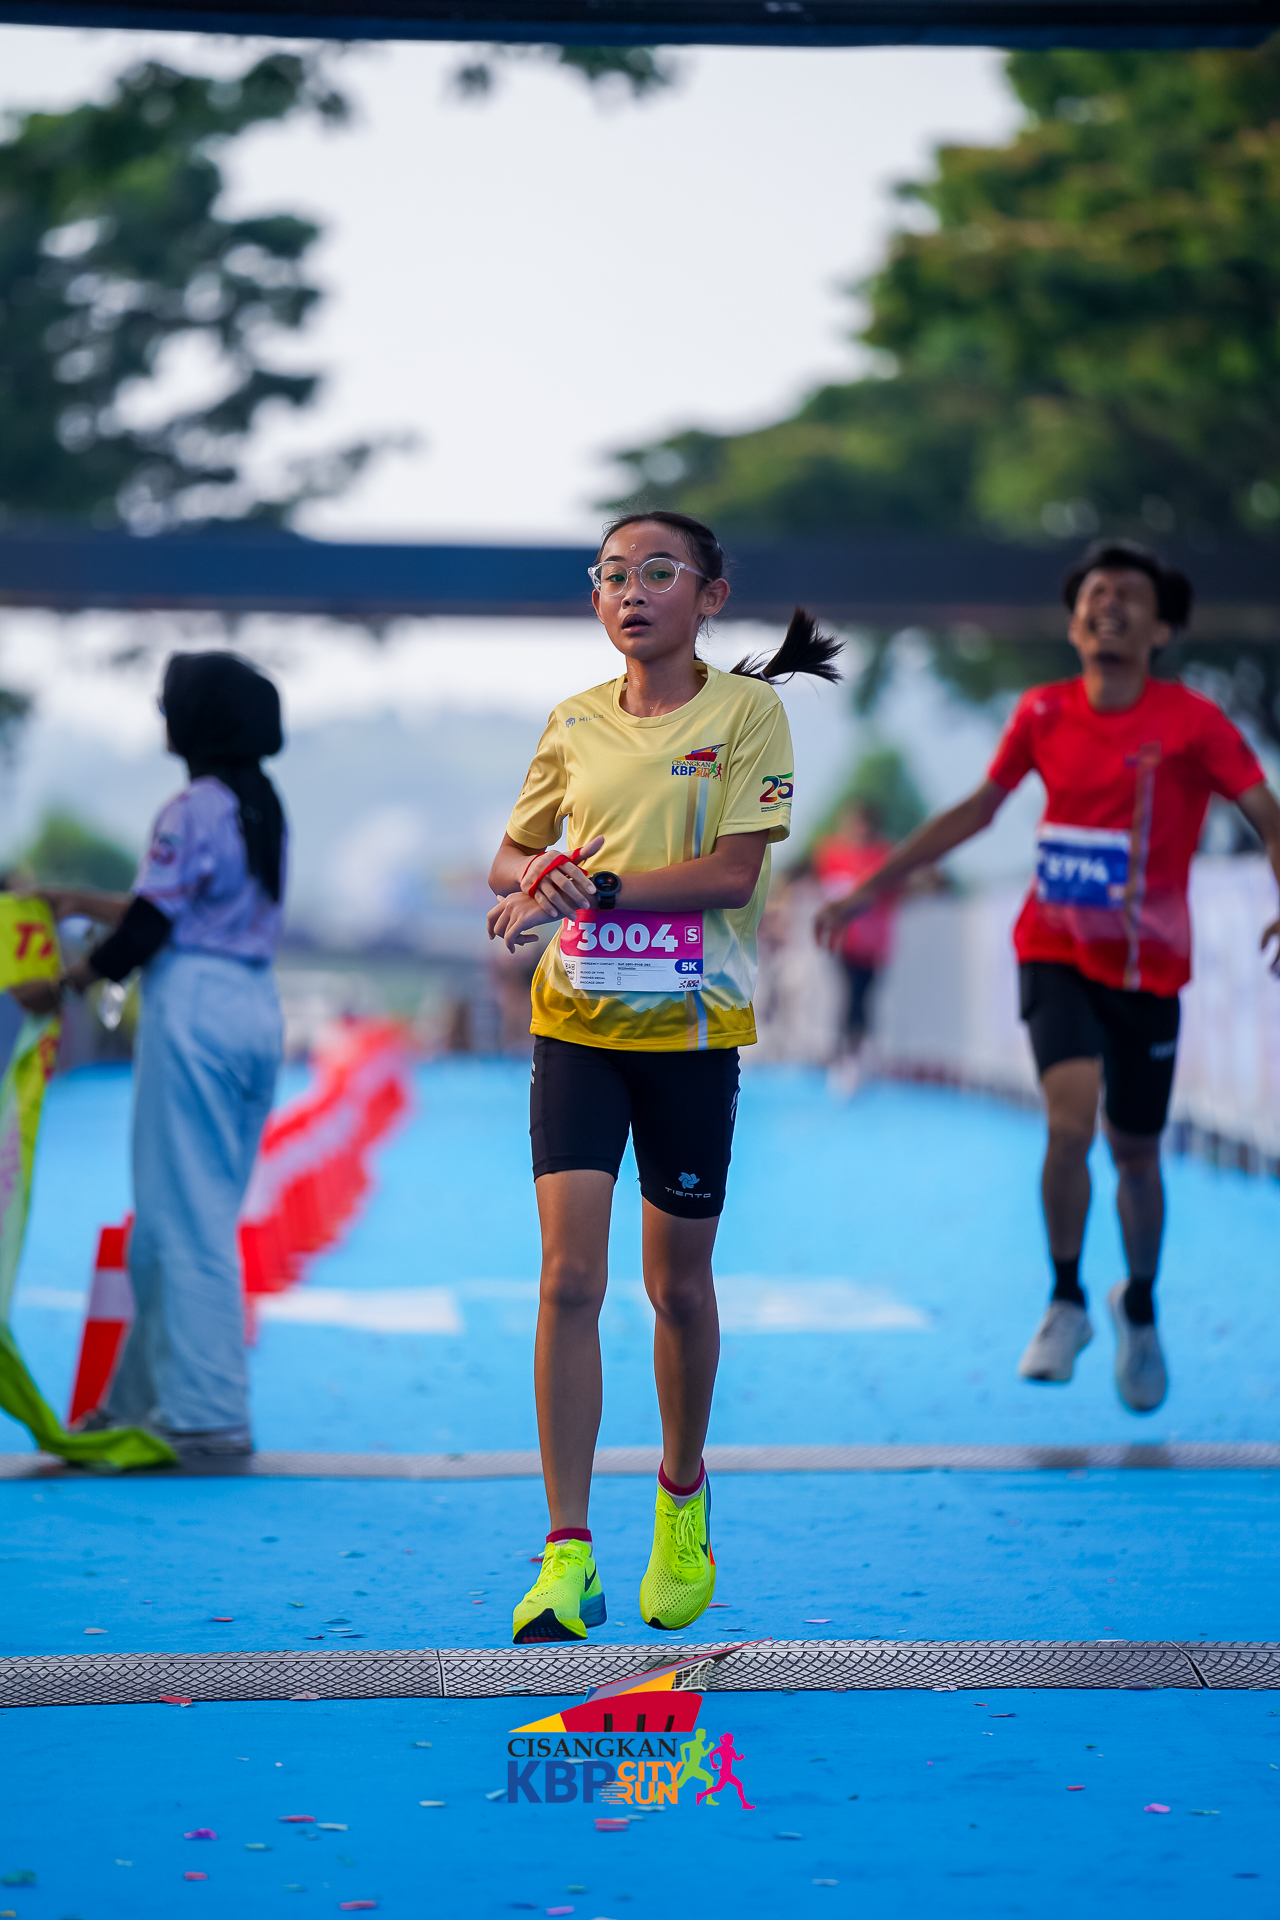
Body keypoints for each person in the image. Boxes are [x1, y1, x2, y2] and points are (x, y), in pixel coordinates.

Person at [816, 539, 1280, 1414]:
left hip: (1148, 967)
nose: (1109, 606)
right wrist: (872, 885)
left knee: (1136, 1154)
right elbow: (976, 811)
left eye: (1129, 596)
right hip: (1054, 948)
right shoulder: (1042, 711)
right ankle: (1066, 1299)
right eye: (1094, 595)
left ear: (1162, 628)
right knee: (1069, 1125)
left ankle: (1138, 1307)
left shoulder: (1193, 724)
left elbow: (1267, 815)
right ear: (1073, 624)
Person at [487, 510, 839, 1643]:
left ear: (710, 596)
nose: (630, 592)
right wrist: (536, 876)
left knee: (676, 1288)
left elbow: (734, 876)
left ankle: (682, 1498)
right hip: (576, 1027)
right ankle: (566, 1554)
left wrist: (596, 889)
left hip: (690, 1035)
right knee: (566, 1281)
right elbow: (511, 855)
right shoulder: (572, 722)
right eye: (610, 576)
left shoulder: (746, 715)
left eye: (655, 572)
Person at [13, 652, 287, 1461]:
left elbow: (150, 928)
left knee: (183, 1219)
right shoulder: (260, 806)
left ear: (198, 722)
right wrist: (79, 901)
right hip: (253, 1006)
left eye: (171, 702)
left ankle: (208, 1415)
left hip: (194, 1006)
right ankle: (135, 1403)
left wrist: (63, 984)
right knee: (182, 1215)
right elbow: (183, 907)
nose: (162, 713)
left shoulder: (189, 807)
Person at [810, 799, 898, 1091]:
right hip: (845, 941)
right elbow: (826, 887)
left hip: (873, 944)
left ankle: (857, 1055)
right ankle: (845, 1058)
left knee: (863, 998)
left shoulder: (884, 854)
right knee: (849, 997)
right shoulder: (833, 851)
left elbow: (893, 893)